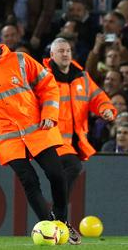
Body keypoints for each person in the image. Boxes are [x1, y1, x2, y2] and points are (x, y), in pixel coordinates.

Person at [0, 24, 79, 244]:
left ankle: (62, 222)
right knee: (29, 181)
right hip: (8, 138)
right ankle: (50, 229)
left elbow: (48, 86)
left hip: (37, 130)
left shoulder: (21, 60)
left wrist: (50, 113)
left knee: (57, 175)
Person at [43, 38, 116, 218]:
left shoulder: (82, 77)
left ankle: (57, 215)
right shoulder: (44, 78)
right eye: (61, 51)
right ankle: (58, 212)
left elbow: (97, 97)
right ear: (52, 55)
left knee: (67, 173)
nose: (65, 54)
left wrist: (106, 109)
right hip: (51, 139)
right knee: (73, 167)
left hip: (75, 142)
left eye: (68, 50)